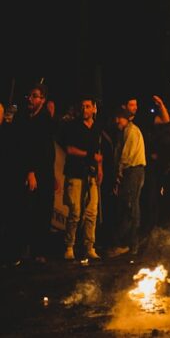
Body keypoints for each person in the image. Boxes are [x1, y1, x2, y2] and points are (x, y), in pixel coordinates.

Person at [14, 83, 57, 263]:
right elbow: (25, 148)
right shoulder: (25, 119)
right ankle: (26, 248)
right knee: (28, 210)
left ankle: (40, 250)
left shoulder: (45, 120)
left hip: (43, 172)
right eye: (29, 96)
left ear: (42, 99)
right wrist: (30, 171)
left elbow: (46, 150)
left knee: (43, 210)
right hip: (32, 171)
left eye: (34, 96)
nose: (30, 99)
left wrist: (51, 174)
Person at [60, 96, 103, 261]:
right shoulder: (73, 127)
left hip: (90, 174)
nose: (85, 109)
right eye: (82, 106)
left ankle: (89, 246)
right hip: (75, 173)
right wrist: (90, 156)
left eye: (88, 106)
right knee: (75, 212)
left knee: (92, 212)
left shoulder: (97, 128)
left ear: (93, 108)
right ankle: (69, 246)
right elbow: (70, 149)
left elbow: (99, 153)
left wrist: (100, 169)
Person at [107, 106, 146, 257]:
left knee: (129, 207)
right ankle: (131, 244)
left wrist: (119, 172)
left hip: (133, 171)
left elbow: (126, 155)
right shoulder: (129, 131)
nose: (117, 121)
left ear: (126, 118)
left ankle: (124, 244)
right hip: (134, 171)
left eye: (119, 118)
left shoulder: (130, 131)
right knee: (131, 207)